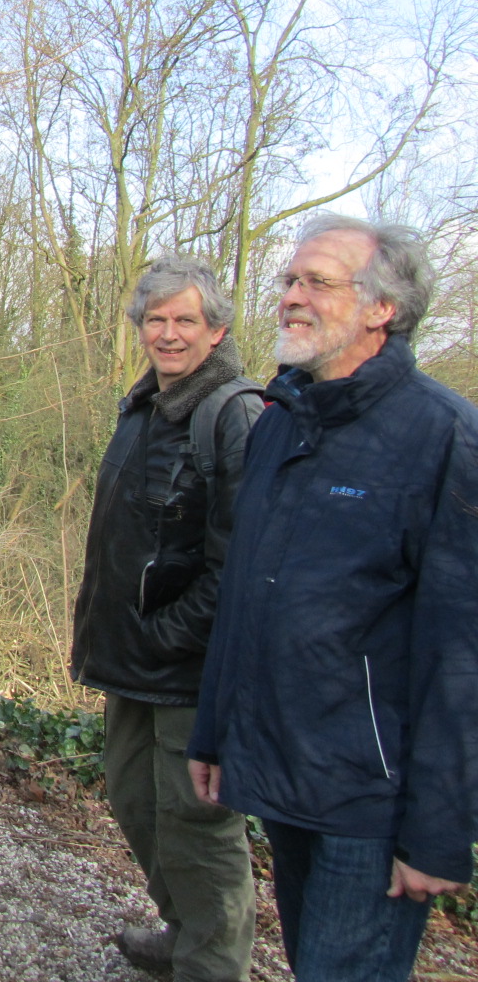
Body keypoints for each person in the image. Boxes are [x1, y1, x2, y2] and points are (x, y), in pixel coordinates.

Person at [188, 213, 478, 982]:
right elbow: (244, 596)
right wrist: (215, 732)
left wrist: (439, 831)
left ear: (383, 307)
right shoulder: (281, 425)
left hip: (371, 805)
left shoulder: (444, 437)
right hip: (286, 778)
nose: (290, 296)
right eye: (289, 280)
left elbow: (462, 652)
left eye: (317, 282)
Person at [71, 253, 263, 981]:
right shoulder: (145, 404)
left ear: (217, 331)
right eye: (156, 319)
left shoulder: (234, 414)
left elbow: (240, 562)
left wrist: (170, 636)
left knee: (197, 824)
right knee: (135, 802)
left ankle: (211, 964)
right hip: (131, 655)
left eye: (186, 320)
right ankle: (183, 933)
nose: (169, 333)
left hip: (191, 668)